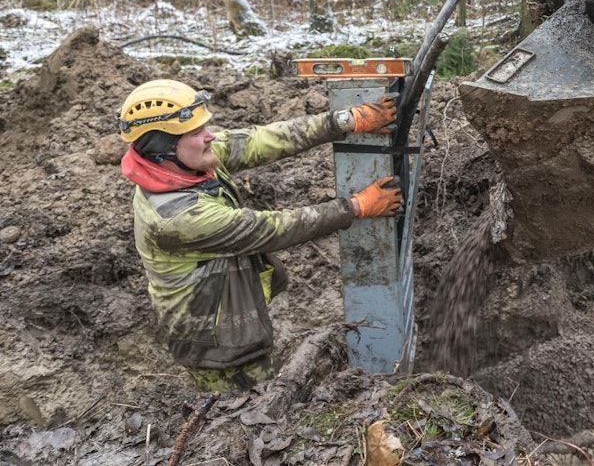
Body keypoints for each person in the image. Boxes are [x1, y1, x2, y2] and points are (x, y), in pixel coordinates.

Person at [117, 78, 403, 393]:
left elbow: (259, 140)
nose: (210, 136)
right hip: (216, 345)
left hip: (226, 310)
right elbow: (272, 229)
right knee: (247, 409)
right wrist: (354, 207)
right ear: (163, 149)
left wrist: (342, 121)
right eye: (196, 132)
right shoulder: (177, 218)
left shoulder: (187, 165)